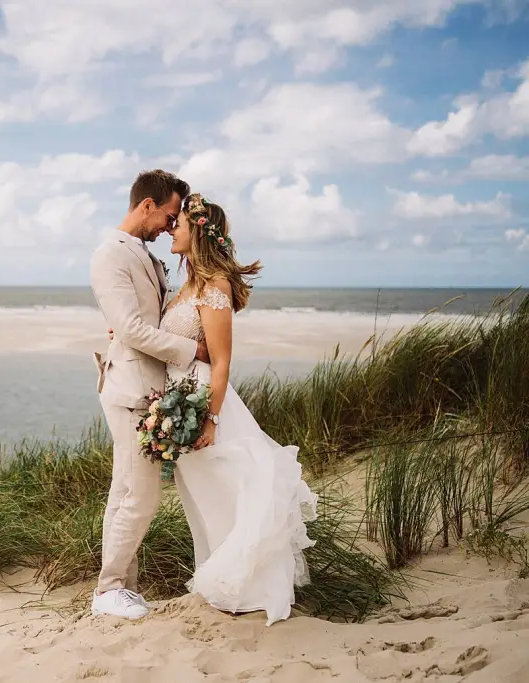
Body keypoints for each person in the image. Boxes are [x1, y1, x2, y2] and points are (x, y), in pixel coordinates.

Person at [161, 192, 319, 626]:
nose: (171, 229)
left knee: (225, 491)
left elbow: (221, 361)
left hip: (203, 404)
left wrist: (210, 420)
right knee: (202, 496)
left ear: (197, 231)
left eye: (178, 224)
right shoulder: (187, 285)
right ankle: (219, 581)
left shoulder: (215, 286)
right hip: (179, 402)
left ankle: (246, 588)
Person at [88, 169, 209, 620]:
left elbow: (138, 321)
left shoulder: (142, 254)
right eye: (169, 216)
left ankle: (122, 588)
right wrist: (191, 350)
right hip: (130, 390)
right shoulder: (111, 255)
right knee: (142, 497)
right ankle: (108, 589)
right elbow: (134, 329)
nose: (170, 226)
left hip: (145, 386)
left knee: (124, 492)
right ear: (147, 206)